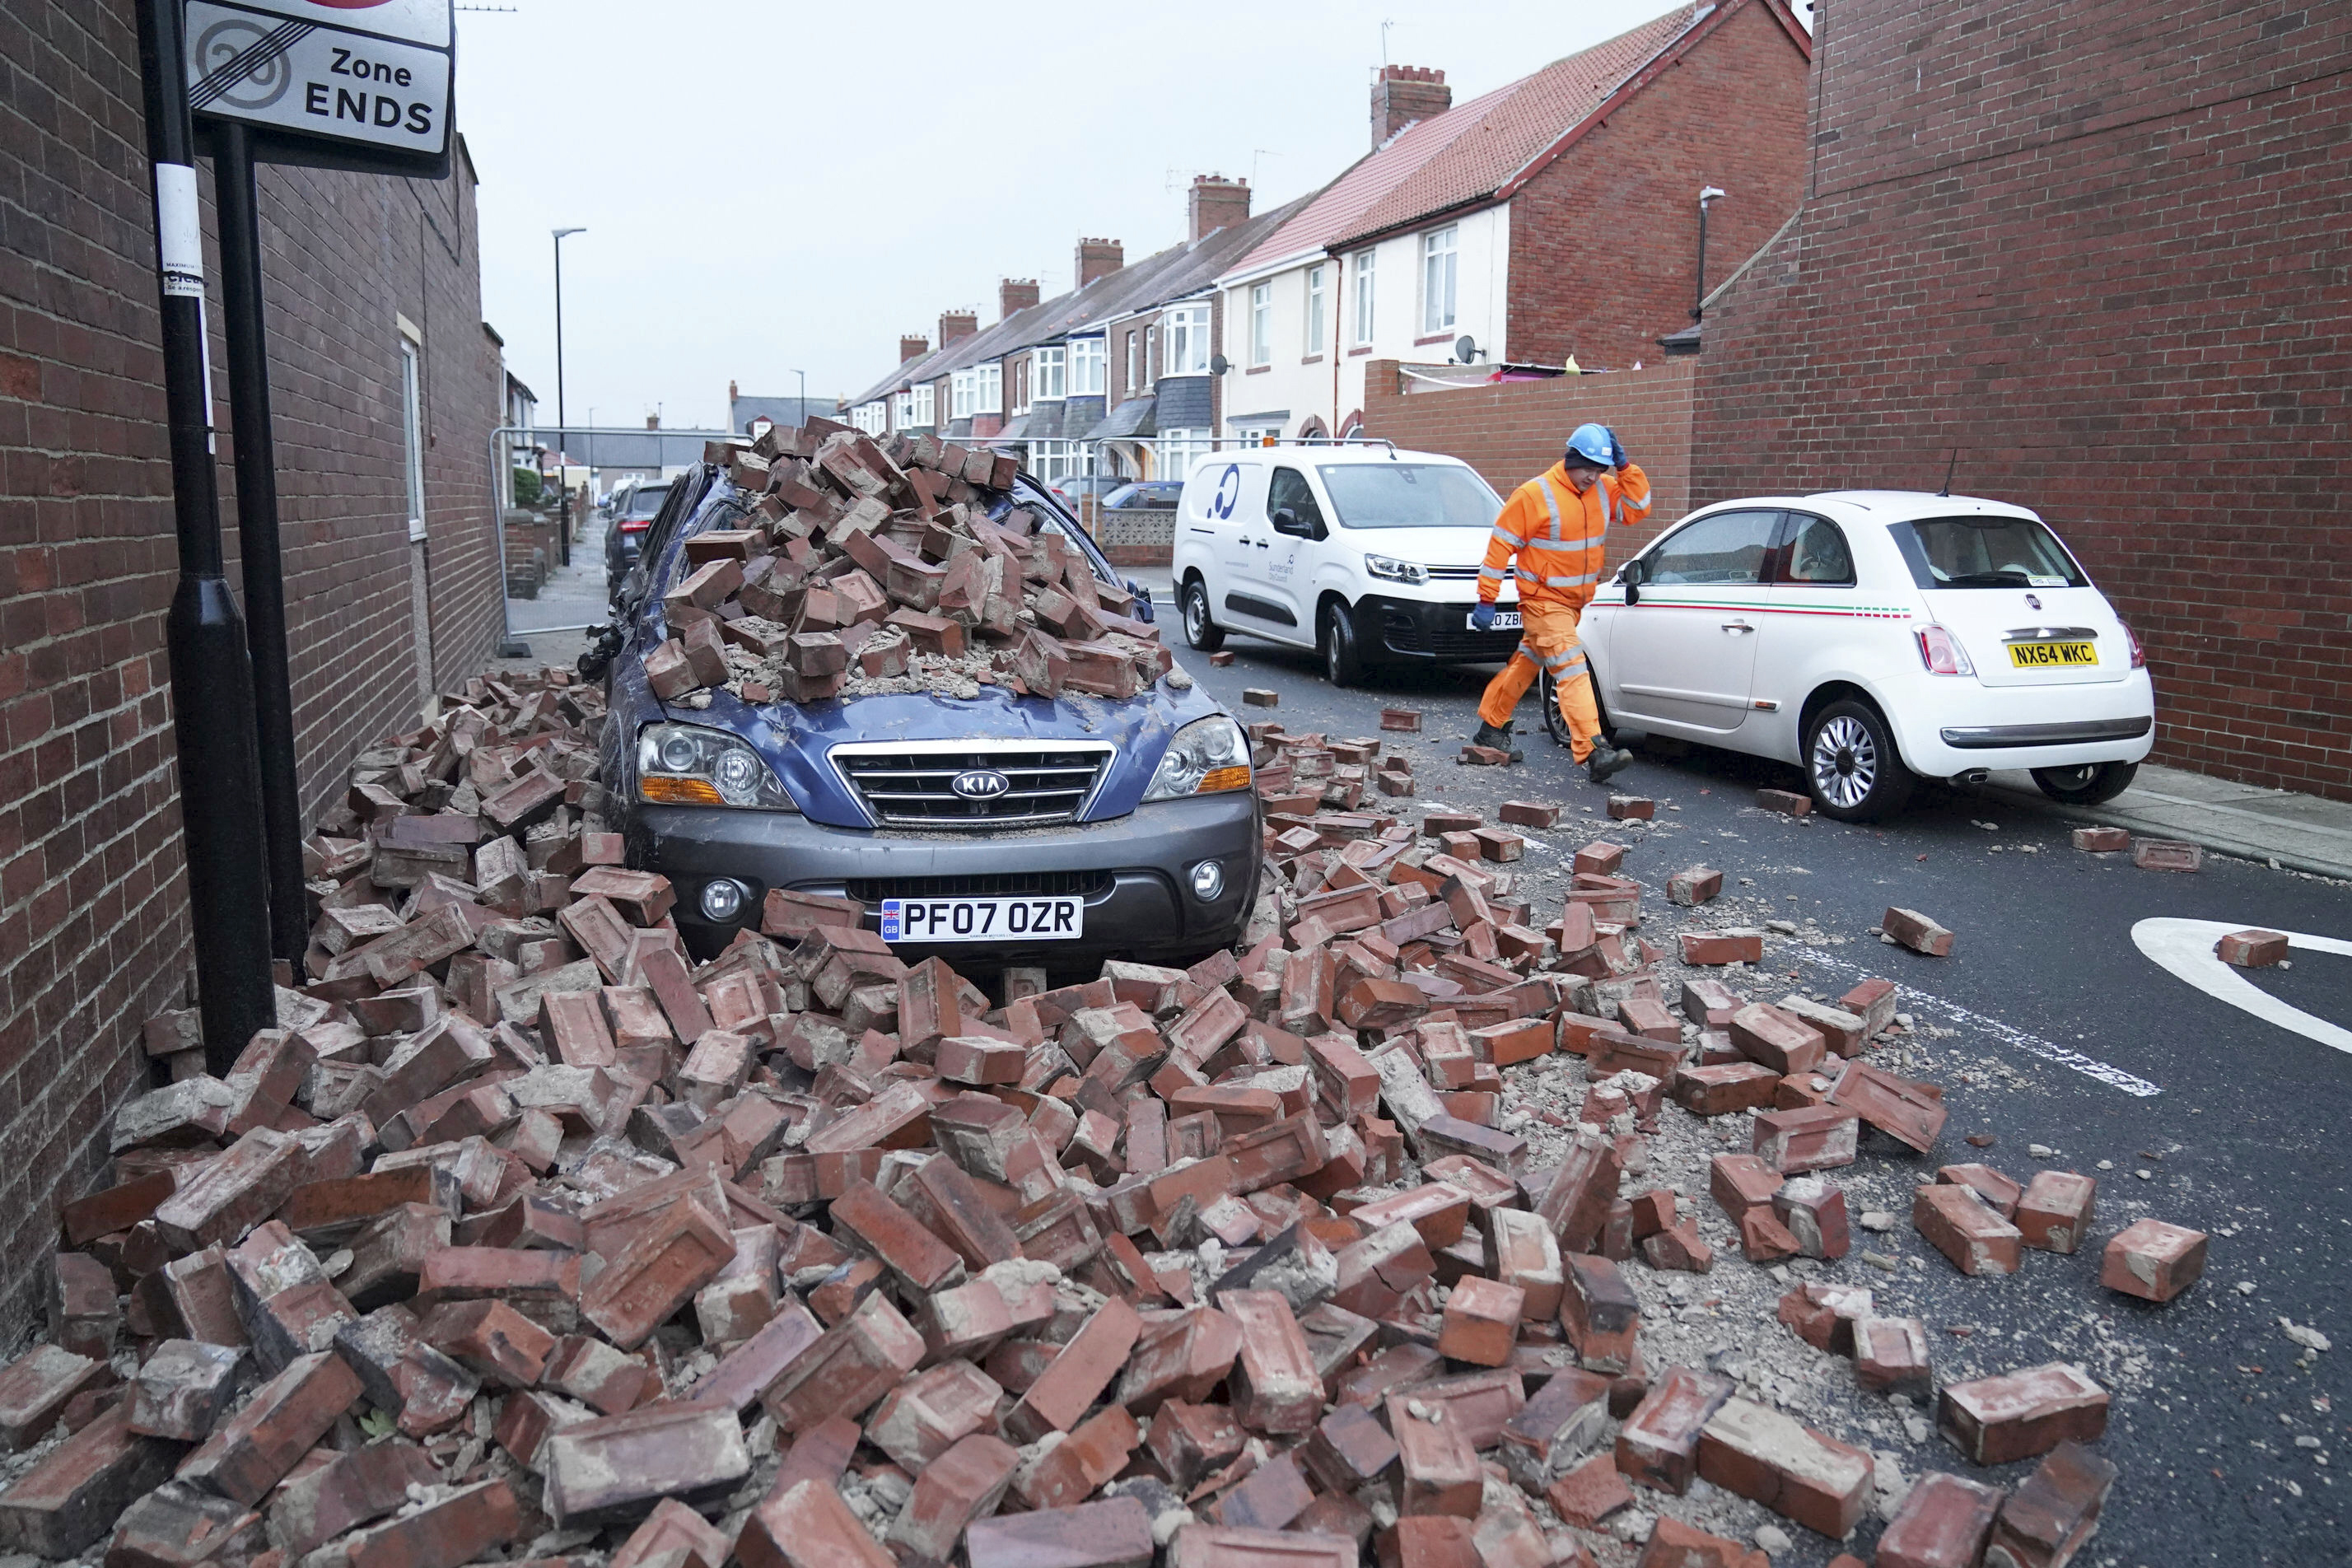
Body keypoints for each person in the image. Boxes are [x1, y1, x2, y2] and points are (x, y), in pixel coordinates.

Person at [1470, 422, 1650, 783]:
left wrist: (1627, 469)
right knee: (1571, 667)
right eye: (1587, 467)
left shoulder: (1604, 489)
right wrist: (1486, 598)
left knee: (1526, 664)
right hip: (1541, 601)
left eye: (1600, 469)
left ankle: (1491, 726)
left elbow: (1637, 508)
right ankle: (1593, 749)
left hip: (1573, 604)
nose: (1592, 476)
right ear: (1571, 459)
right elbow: (1500, 546)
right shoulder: (1535, 495)